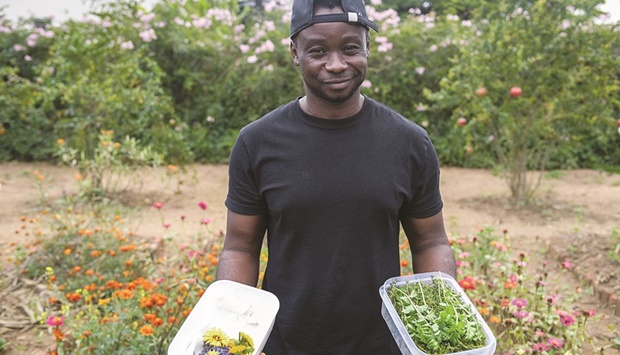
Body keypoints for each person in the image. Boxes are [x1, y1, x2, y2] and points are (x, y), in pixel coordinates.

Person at [216, 0, 457, 353]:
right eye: (317, 50)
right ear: (295, 53)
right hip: (283, 341)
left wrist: (440, 331)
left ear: (367, 48)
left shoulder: (409, 143)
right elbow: (240, 247)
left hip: (381, 343)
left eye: (350, 48)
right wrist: (227, 333)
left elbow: (430, 242)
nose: (336, 64)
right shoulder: (258, 142)